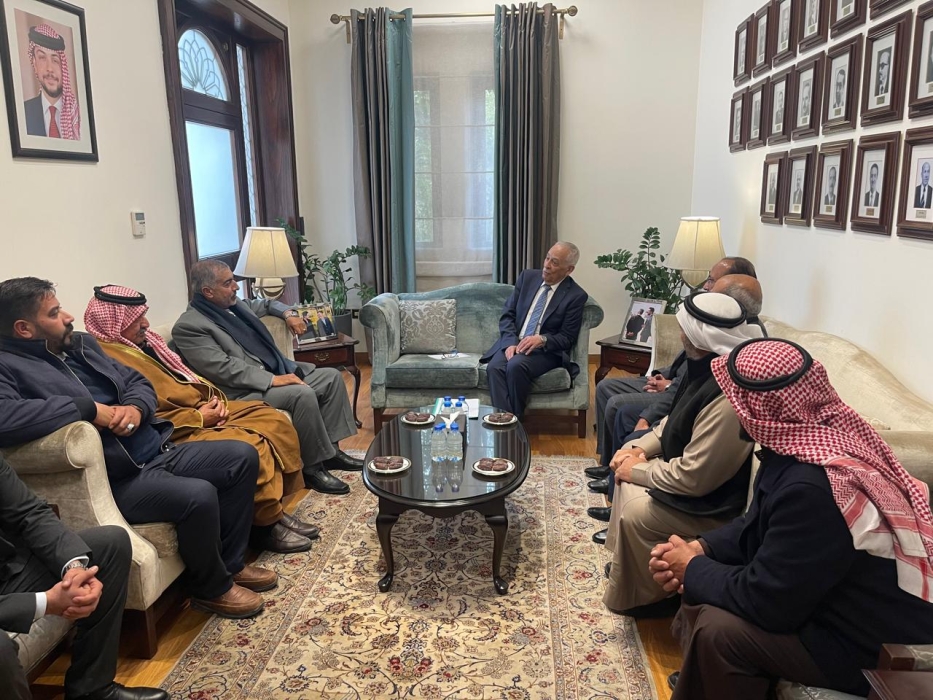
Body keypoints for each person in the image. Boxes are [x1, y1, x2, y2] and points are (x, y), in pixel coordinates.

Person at [652, 338, 933, 699]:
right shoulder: (798, 448)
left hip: (869, 644)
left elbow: (767, 604)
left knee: (718, 630)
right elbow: (756, 523)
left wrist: (690, 568)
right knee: (704, 582)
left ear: (758, 409)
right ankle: (705, 677)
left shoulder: (812, 486)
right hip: (827, 602)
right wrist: (700, 548)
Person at [0, 278, 274, 621]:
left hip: (156, 448)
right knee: (198, 494)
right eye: (54, 313)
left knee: (241, 456)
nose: (68, 317)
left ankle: (231, 565)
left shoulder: (81, 344)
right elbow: (6, 418)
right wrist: (87, 409)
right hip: (118, 477)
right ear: (24, 328)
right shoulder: (7, 365)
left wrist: (135, 408)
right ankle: (211, 589)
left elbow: (137, 382)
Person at [84, 284, 319, 555]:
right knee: (251, 443)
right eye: (136, 319)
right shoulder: (107, 356)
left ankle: (274, 511)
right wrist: (198, 416)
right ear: (112, 322)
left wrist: (210, 403)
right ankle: (264, 526)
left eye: (143, 316)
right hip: (177, 426)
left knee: (270, 417)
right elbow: (153, 411)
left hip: (198, 408)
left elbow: (185, 379)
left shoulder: (143, 344)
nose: (146, 324)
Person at [601, 293, 760, 618]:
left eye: (685, 327)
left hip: (713, 503)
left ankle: (649, 596)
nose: (680, 333)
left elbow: (695, 477)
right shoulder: (703, 367)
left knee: (635, 509)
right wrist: (638, 449)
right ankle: (627, 568)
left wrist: (637, 471)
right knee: (624, 469)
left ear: (699, 334)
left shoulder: (728, 394)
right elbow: (673, 421)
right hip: (690, 473)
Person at [172, 261, 361, 496]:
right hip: (239, 392)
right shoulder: (189, 326)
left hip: (271, 373)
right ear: (208, 292)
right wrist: (272, 380)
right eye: (228, 283)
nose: (236, 287)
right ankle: (312, 469)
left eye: (234, 281)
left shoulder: (235, 305)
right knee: (301, 394)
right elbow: (223, 368)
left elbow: (268, 303)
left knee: (331, 377)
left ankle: (331, 453)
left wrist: (288, 314)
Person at [0, 454, 167, 700]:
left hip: (7, 572)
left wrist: (75, 569)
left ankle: (92, 688)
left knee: (110, 544)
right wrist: (46, 602)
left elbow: (29, 513)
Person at [593, 257, 757, 475]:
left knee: (619, 407)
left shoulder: (731, 336)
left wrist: (664, 394)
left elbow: (695, 389)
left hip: (677, 398)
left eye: (712, 281)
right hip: (673, 385)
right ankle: (608, 464)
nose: (706, 287)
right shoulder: (713, 321)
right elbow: (688, 367)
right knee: (606, 387)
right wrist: (661, 375)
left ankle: (614, 471)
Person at [480, 242, 588, 420]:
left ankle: (512, 422)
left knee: (516, 366)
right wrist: (511, 342)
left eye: (554, 262)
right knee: (495, 367)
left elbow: (567, 337)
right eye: (547, 258)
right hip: (516, 342)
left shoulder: (575, 296)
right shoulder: (527, 278)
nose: (547, 265)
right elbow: (508, 315)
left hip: (545, 351)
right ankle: (508, 420)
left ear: (569, 269)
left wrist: (542, 339)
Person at [22, 24, 80, 140]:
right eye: (42, 58)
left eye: (55, 60)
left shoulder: (77, 116)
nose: (49, 68)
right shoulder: (23, 113)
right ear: (34, 63)